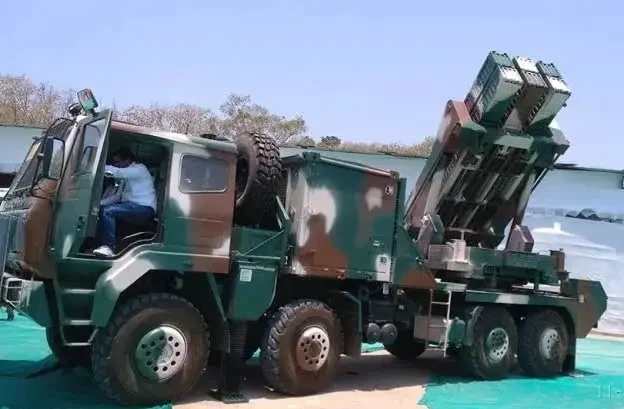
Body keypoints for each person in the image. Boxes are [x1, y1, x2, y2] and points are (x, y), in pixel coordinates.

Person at [92, 147, 157, 258]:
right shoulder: (126, 176)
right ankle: (97, 246)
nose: (116, 165)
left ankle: (109, 247)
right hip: (131, 206)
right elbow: (117, 197)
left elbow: (117, 172)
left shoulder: (139, 169)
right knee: (103, 211)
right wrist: (97, 204)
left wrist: (96, 166)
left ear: (128, 160)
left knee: (108, 211)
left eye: (118, 162)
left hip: (144, 208)